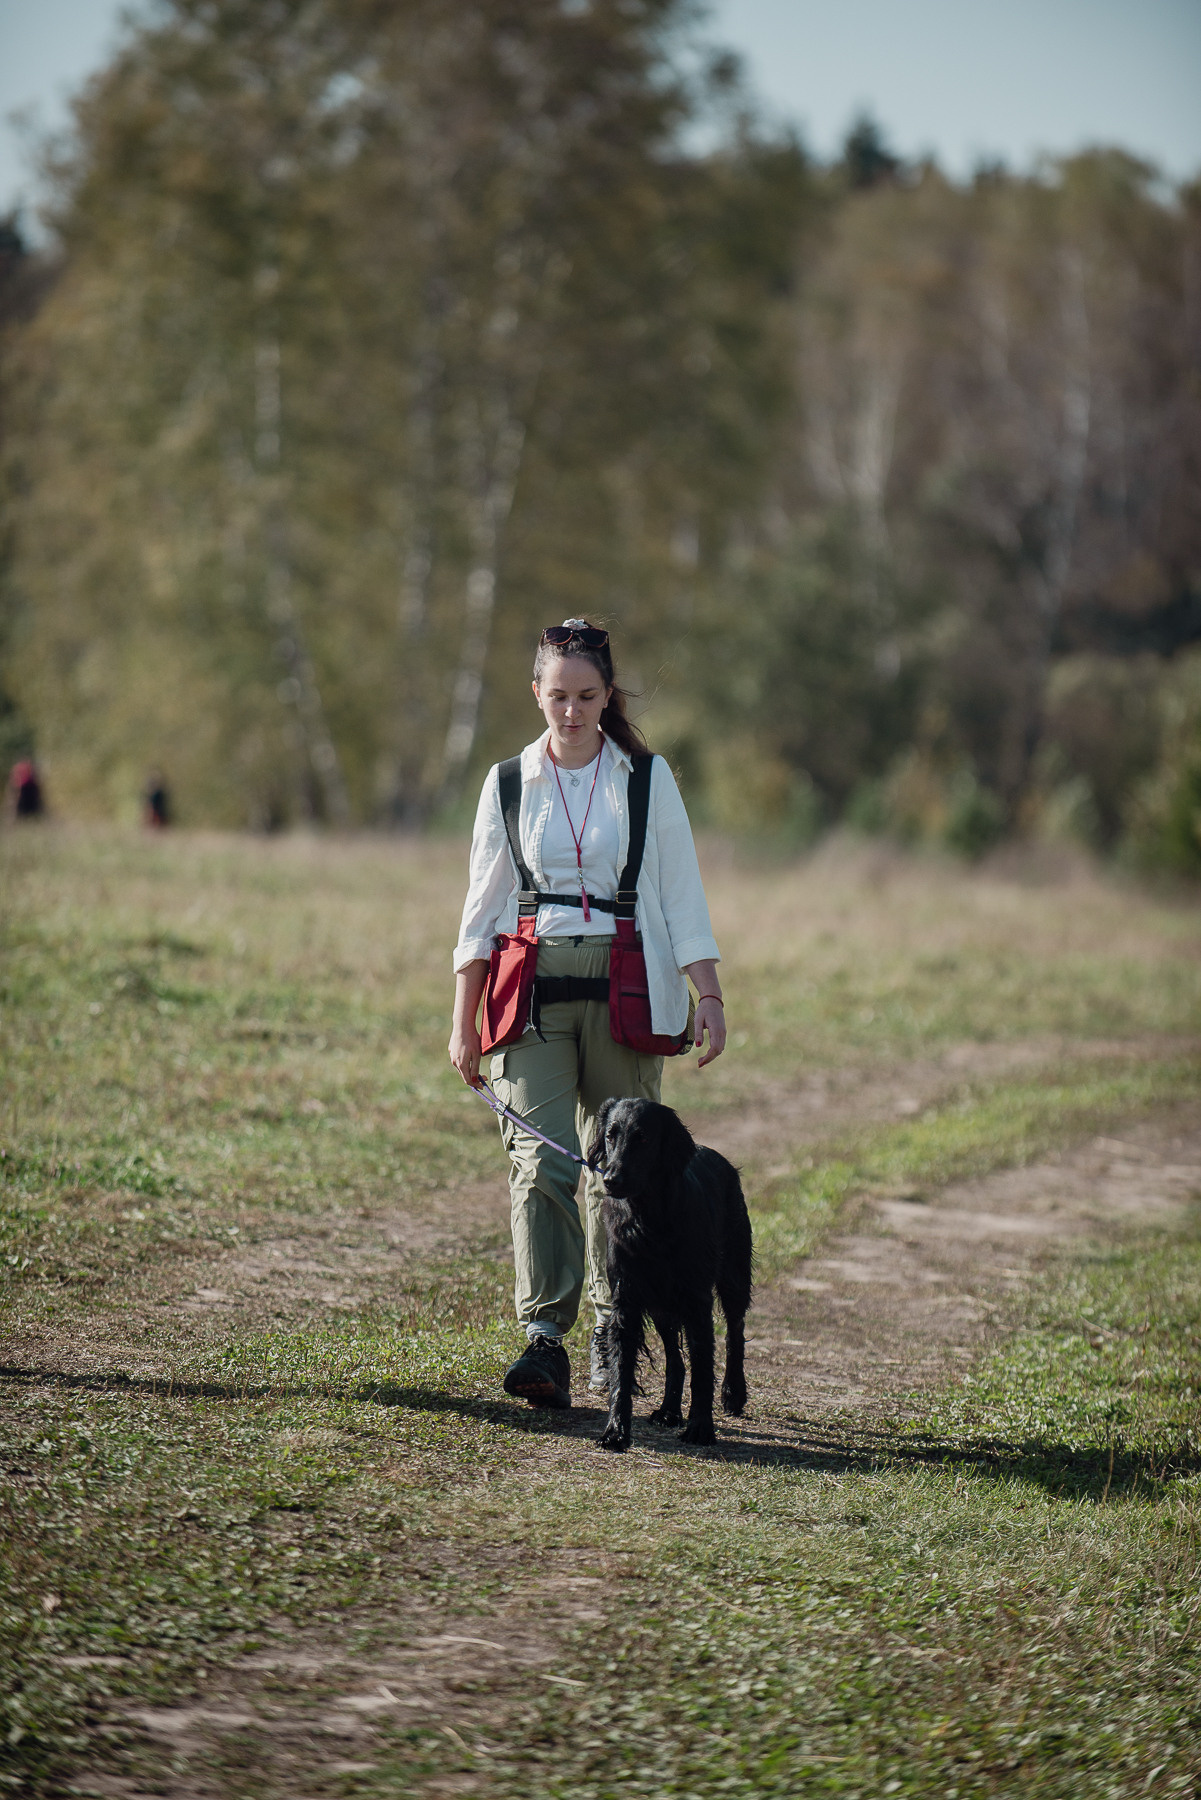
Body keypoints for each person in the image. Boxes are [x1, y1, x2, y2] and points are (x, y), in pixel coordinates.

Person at [449, 619, 726, 1408]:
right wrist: (461, 1020)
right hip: (529, 993)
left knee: (625, 1175)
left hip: (629, 989)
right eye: (558, 696)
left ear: (609, 696)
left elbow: (681, 895)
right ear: (534, 693)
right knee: (542, 1163)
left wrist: (707, 994)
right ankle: (545, 1341)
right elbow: (480, 911)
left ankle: (614, 1335)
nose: (572, 712)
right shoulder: (506, 783)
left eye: (588, 697)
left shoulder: (646, 778)